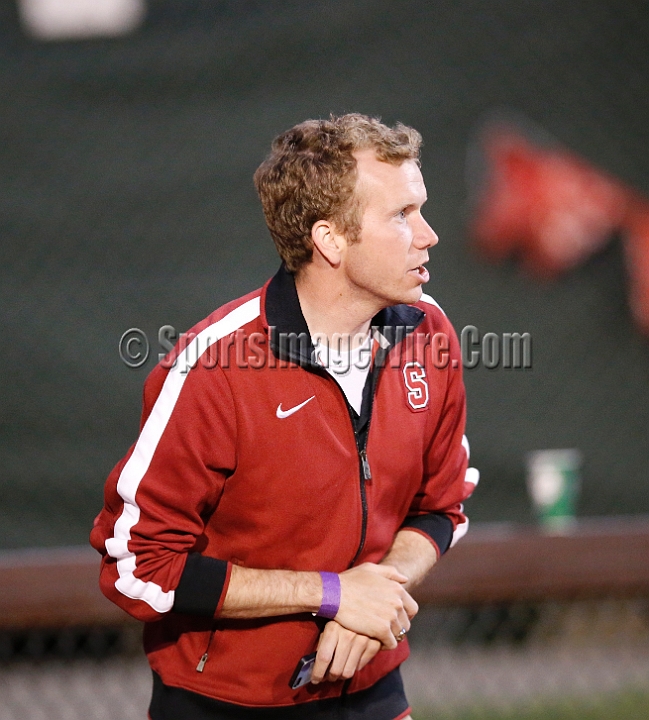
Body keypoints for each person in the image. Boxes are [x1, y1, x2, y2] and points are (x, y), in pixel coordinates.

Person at [91, 113, 478, 720]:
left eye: (420, 209)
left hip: (371, 687)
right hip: (222, 703)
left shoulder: (430, 334)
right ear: (329, 240)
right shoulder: (211, 370)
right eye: (401, 215)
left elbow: (442, 506)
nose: (428, 235)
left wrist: (376, 595)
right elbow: (139, 567)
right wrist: (332, 594)